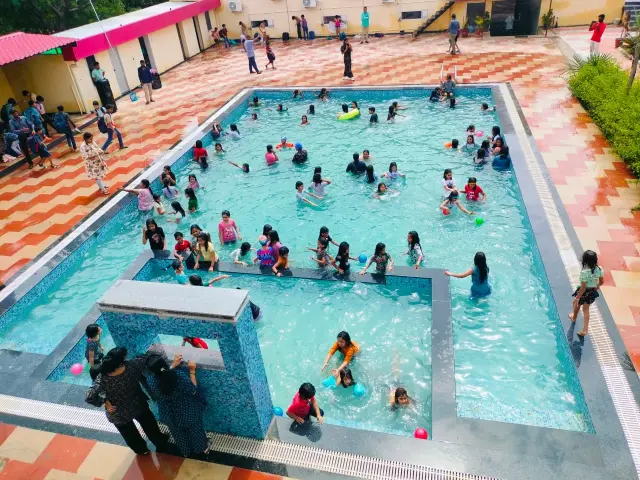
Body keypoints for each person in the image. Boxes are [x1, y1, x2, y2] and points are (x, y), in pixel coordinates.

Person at [86, 347, 169, 455]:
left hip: (118, 412)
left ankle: (142, 450)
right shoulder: (132, 365)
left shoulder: (102, 377)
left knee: (130, 435)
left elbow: (89, 397)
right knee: (150, 426)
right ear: (122, 359)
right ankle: (160, 442)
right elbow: (149, 356)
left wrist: (104, 401)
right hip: (138, 404)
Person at [145, 355, 208, 457]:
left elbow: (163, 378)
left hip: (168, 414)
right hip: (187, 412)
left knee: (178, 434)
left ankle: (186, 452)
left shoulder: (151, 380)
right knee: (196, 431)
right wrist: (192, 371)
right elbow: (193, 390)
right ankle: (200, 450)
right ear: (165, 364)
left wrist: (172, 367)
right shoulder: (179, 376)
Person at [569, 250, 604, 337]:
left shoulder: (584, 273)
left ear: (585, 261)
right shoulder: (599, 269)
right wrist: (597, 286)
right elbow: (601, 281)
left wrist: (577, 298)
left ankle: (574, 317)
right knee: (586, 310)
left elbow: (583, 287)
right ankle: (585, 329)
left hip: (583, 292)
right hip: (592, 292)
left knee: (576, 304)